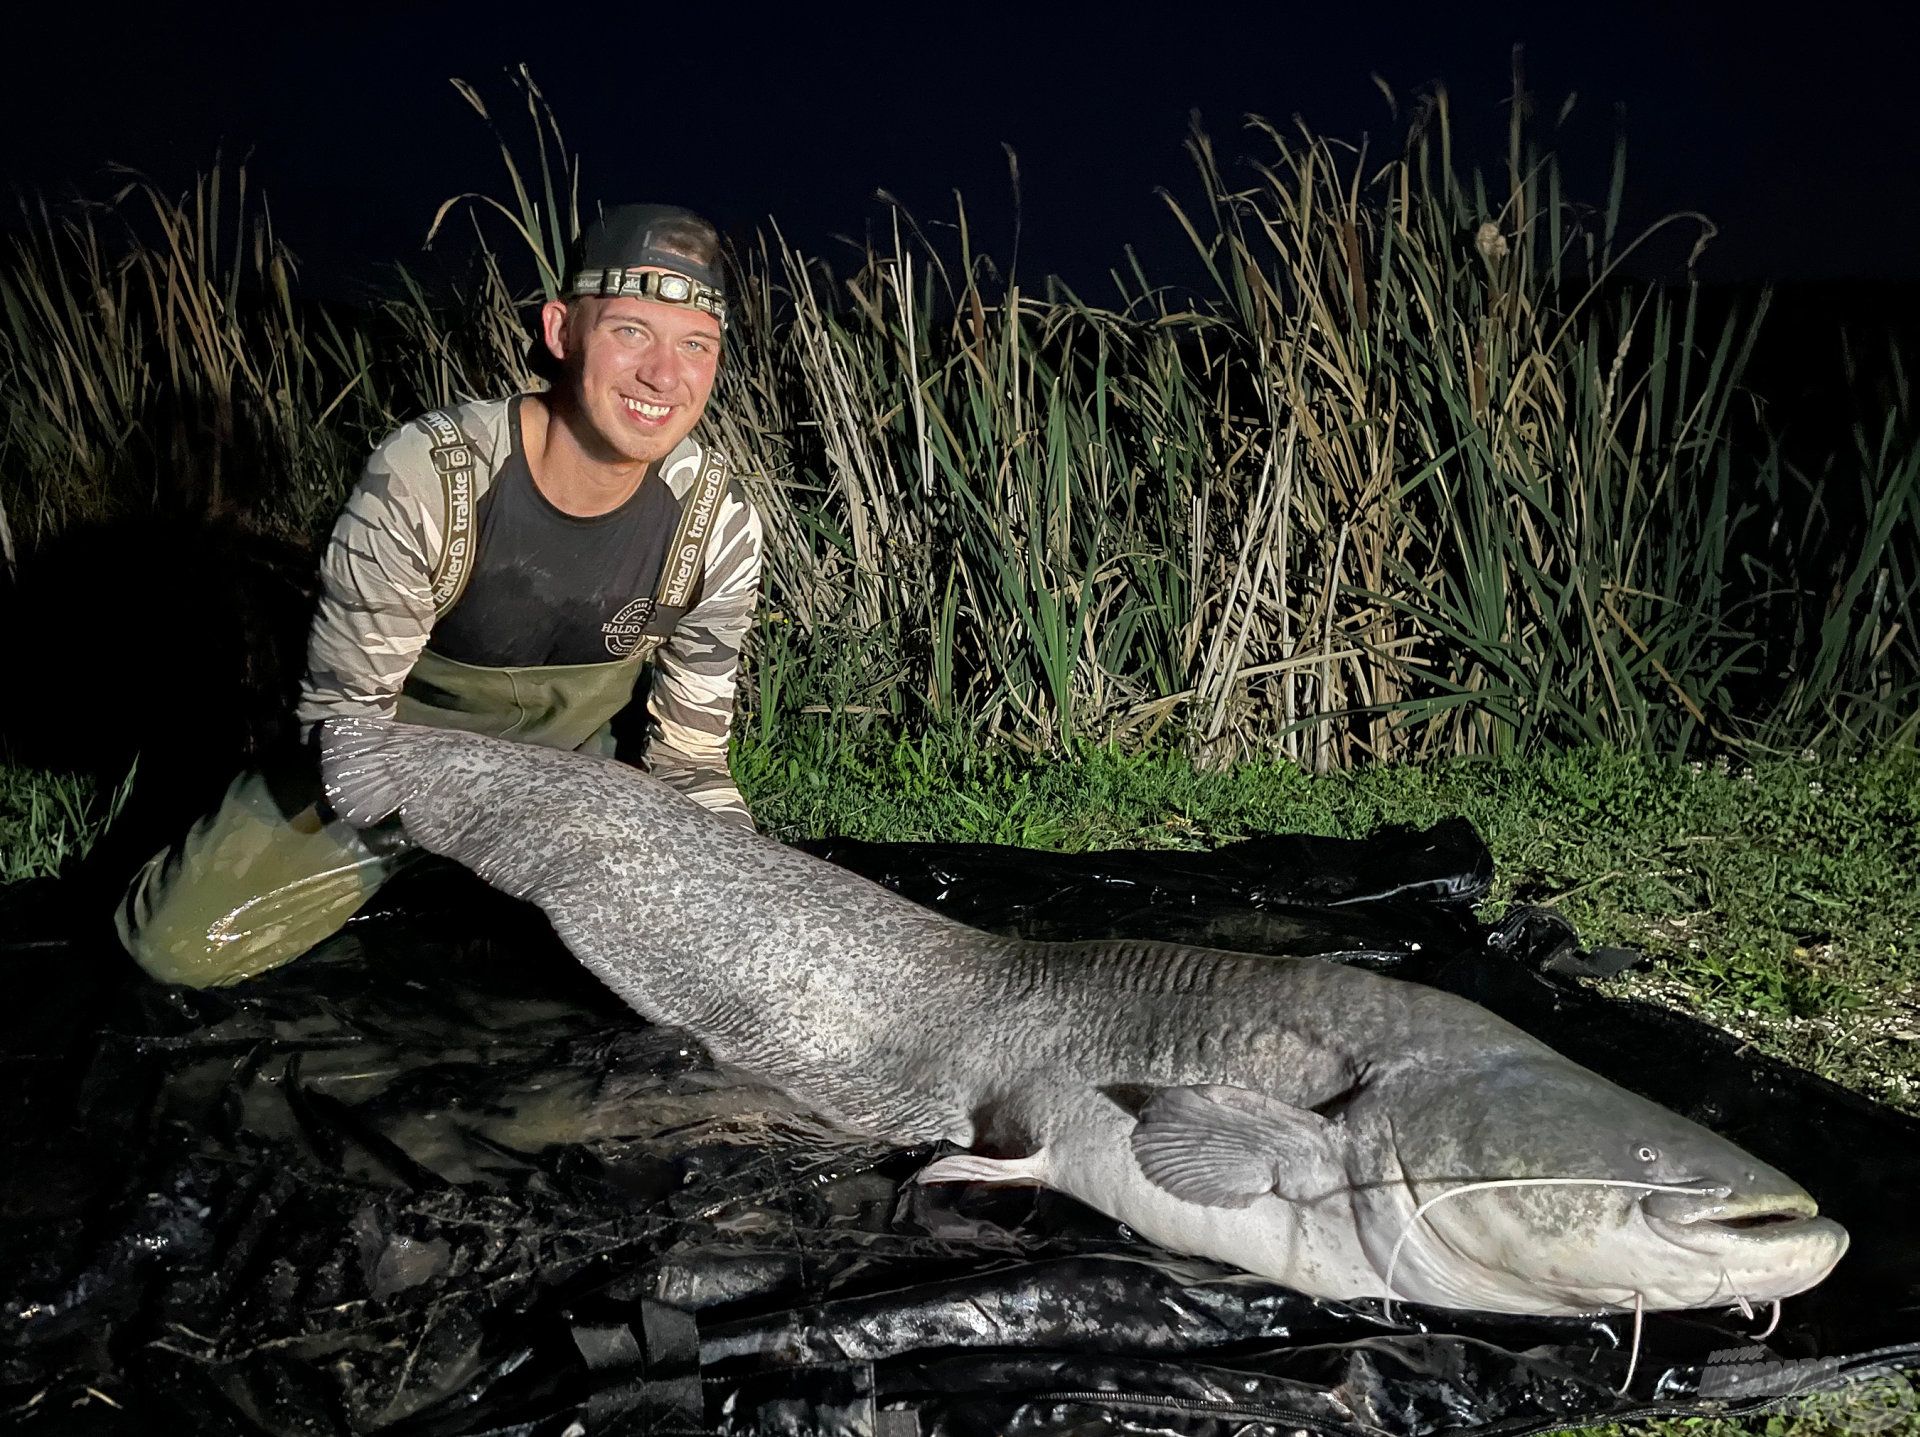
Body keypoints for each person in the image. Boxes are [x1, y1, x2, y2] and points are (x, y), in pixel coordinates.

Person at [116, 203, 764, 987]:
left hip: (571, 785)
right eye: (631, 331)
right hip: (380, 770)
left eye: (695, 345)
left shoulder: (716, 525)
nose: (665, 375)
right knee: (178, 948)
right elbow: (344, 736)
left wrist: (742, 891)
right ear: (561, 332)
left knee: (715, 960)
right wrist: (482, 829)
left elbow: (691, 762)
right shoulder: (432, 475)